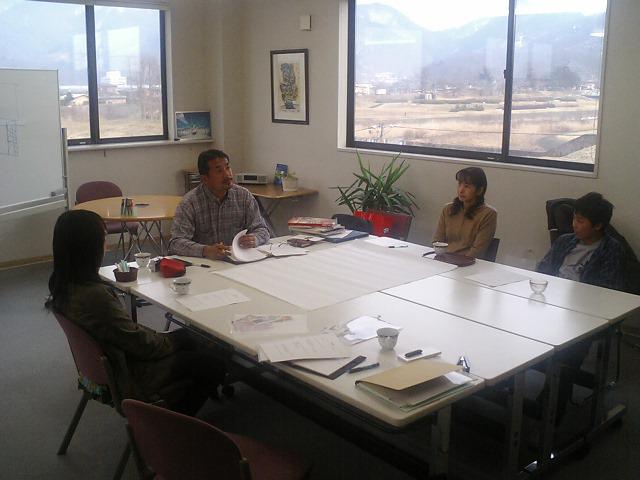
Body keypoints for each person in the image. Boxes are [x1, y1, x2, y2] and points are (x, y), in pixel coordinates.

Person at [46, 210, 225, 415]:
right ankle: (172, 423)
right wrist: (173, 341)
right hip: (131, 374)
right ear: (88, 247)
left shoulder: (64, 286)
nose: (106, 246)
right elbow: (142, 345)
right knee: (211, 362)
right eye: (103, 239)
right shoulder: (94, 296)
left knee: (194, 340)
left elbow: (127, 333)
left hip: (114, 363)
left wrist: (175, 339)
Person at [169, 149, 270, 259]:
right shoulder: (190, 203)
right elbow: (176, 243)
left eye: (227, 167)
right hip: (206, 263)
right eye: (219, 171)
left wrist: (255, 239)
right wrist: (205, 250)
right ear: (205, 179)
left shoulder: (243, 196)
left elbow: (262, 229)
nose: (227, 174)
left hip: (238, 260)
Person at [537, 192, 625, 291]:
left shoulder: (611, 249)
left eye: (580, 221)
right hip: (553, 290)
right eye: (574, 218)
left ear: (597, 226)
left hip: (583, 295)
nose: (574, 224)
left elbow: (607, 287)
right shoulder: (564, 241)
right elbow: (543, 269)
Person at [433, 166, 497, 258]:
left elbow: (478, 250)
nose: (461, 190)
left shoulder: (488, 214)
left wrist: (457, 262)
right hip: (444, 259)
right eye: (459, 184)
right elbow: (437, 241)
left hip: (468, 262)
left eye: (467, 186)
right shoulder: (448, 209)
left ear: (479, 190)